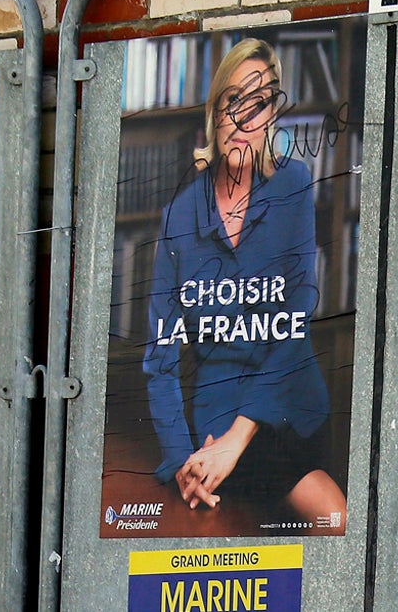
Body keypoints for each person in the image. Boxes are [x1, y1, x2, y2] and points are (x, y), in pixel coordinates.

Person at [144, 38, 346, 532]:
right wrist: (181, 464)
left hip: (286, 410)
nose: (244, 118)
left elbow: (291, 326)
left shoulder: (293, 187)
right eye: (234, 101)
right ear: (215, 113)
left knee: (339, 523)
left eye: (259, 105)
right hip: (213, 428)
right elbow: (161, 359)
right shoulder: (178, 216)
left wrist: (236, 440)